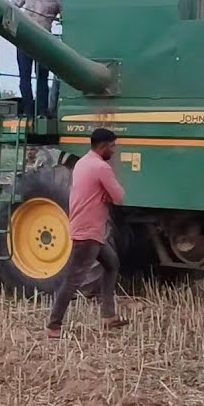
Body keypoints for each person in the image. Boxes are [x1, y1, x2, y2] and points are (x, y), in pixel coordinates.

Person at [45, 128, 129, 338]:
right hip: (88, 231)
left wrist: (104, 196)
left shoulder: (82, 163)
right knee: (73, 279)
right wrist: (108, 196)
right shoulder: (101, 167)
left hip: (89, 228)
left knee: (111, 264)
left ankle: (109, 316)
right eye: (112, 146)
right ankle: (54, 326)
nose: (114, 150)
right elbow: (119, 197)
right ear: (102, 146)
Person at [11, 0, 63, 118]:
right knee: (42, 78)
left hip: (24, 37)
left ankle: (28, 111)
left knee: (24, 77)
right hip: (44, 41)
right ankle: (42, 111)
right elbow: (66, 18)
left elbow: (11, 5)